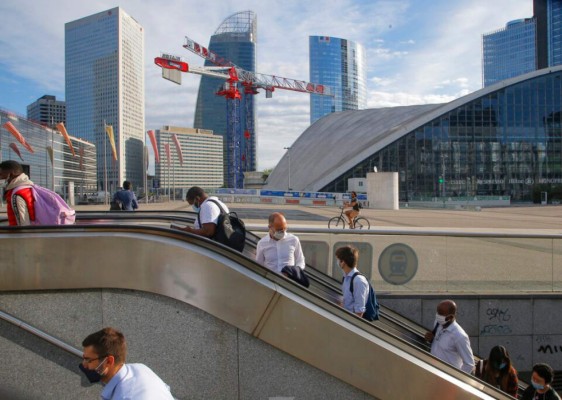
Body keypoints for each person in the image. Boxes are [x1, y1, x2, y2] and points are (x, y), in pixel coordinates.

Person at [80, 327, 174, 399]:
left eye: (89, 360)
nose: (84, 364)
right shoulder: (141, 368)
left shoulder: (126, 396)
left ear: (109, 361)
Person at [424, 300, 475, 373]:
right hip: (433, 370)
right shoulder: (438, 323)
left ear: (450, 317)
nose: (438, 316)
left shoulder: (459, 336)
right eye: (438, 312)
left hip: (447, 376)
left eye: (441, 314)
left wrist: (456, 379)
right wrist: (431, 340)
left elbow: (469, 364)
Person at [336, 245, 370, 318]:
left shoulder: (358, 281)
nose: (337, 262)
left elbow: (359, 311)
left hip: (351, 323)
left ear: (343, 262)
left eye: (338, 259)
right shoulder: (346, 278)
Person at [0, 160, 35, 226]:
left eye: (1, 174)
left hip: (20, 235)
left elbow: (23, 225)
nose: (0, 177)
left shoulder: (17, 195)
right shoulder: (28, 188)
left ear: (10, 174)